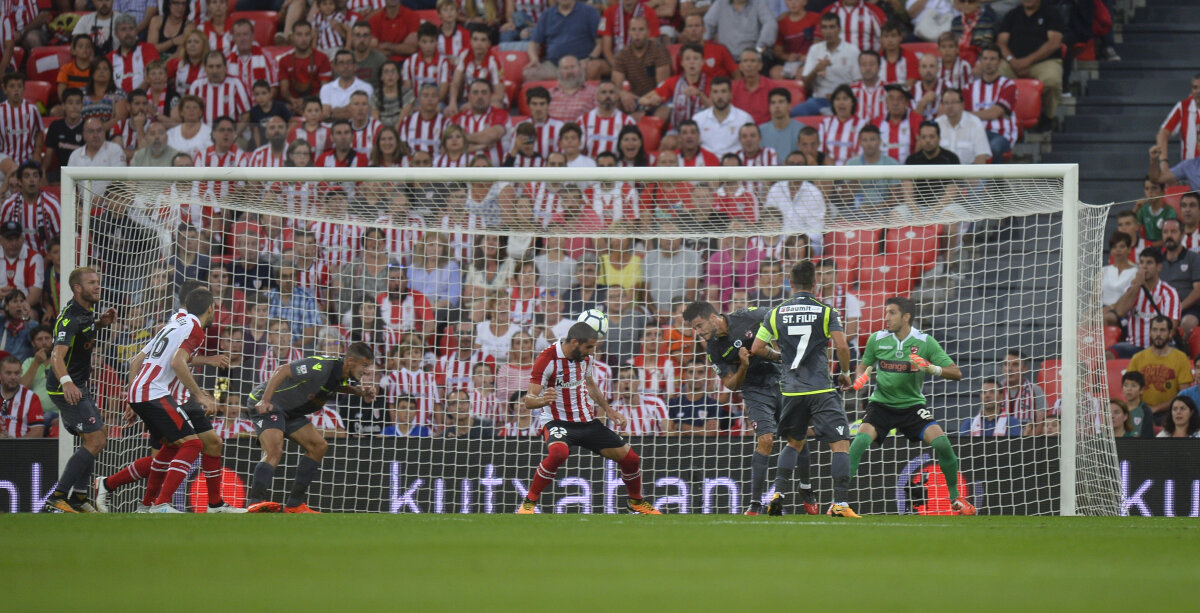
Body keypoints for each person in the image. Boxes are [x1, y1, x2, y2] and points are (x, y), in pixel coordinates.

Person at [847, 296, 976, 515]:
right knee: (859, 442)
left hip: (912, 407)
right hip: (881, 406)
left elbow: (956, 373)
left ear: (906, 317)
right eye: (886, 312)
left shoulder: (925, 341)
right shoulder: (877, 339)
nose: (886, 317)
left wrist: (931, 368)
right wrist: (860, 378)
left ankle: (956, 499)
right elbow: (864, 365)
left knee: (943, 444)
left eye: (892, 312)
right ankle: (837, 501)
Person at [686, 300, 816, 514]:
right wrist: (744, 367)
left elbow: (778, 316)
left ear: (711, 317)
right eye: (694, 328)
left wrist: (783, 345)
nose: (698, 332)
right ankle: (755, 504)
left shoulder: (748, 317)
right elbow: (730, 384)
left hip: (781, 379)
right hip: (754, 390)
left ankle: (806, 488)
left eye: (699, 326)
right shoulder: (713, 349)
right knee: (766, 439)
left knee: (797, 437)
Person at [518, 321, 662, 514]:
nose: (591, 352)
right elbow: (528, 400)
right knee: (559, 453)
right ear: (575, 342)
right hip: (558, 422)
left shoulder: (585, 358)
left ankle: (636, 501)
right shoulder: (547, 359)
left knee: (631, 459)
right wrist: (543, 400)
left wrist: (608, 410)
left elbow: (590, 385)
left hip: (587, 422)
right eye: (589, 347)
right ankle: (529, 503)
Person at [749, 260, 857, 517]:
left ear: (790, 281)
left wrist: (780, 357)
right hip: (820, 388)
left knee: (794, 443)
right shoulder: (826, 310)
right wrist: (844, 373)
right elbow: (842, 346)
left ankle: (778, 492)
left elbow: (756, 349)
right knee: (840, 443)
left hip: (790, 390)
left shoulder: (775, 313)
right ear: (815, 283)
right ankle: (840, 504)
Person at [118, 288, 226, 513]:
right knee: (193, 443)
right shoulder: (195, 329)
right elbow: (178, 363)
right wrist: (200, 394)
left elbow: (138, 361)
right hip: (154, 392)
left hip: (141, 390)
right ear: (210, 308)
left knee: (170, 447)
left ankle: (147, 504)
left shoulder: (176, 322)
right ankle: (161, 504)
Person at [244, 342, 378, 513]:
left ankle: (294, 505)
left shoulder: (341, 372)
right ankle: (255, 501)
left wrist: (358, 392)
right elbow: (283, 370)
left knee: (318, 446)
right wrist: (265, 400)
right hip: (268, 403)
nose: (367, 371)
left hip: (290, 411)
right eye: (365, 365)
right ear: (350, 361)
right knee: (274, 450)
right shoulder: (323, 366)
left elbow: (334, 385)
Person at [43, 268, 118, 513]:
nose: (97, 286)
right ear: (78, 288)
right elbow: (56, 355)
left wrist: (100, 324)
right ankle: (59, 495)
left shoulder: (86, 312)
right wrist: (66, 382)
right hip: (64, 386)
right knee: (96, 439)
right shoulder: (69, 318)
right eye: (92, 283)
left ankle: (79, 496)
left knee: (96, 436)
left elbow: (82, 331)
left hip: (78, 384)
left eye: (98, 281)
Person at [996, 0, 1063, 132]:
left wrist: (1027, 61)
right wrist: (1012, 60)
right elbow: (1001, 42)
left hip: (1043, 62)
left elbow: (1054, 43)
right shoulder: (1012, 15)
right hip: (1013, 63)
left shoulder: (1052, 13)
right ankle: (999, 116)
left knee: (1052, 81)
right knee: (996, 75)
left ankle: (1048, 117)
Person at [1111, 249, 1180, 357]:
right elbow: (1119, 312)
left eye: (1149, 263)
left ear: (1159, 267)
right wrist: (1137, 285)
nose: (1144, 267)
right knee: (1108, 354)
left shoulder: (1169, 293)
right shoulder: (1132, 289)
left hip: (1160, 347)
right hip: (1133, 346)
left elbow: (1171, 330)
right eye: (1141, 263)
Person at [792, 12, 861, 117]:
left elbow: (859, 82)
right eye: (824, 27)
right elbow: (806, 86)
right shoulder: (815, 49)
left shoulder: (852, 50)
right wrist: (816, 70)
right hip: (820, 100)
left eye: (832, 27)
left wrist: (839, 96)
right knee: (796, 113)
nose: (828, 32)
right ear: (821, 31)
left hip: (846, 100)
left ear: (839, 29)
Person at [1127, 315, 1193, 419]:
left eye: (1162, 330)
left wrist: (1156, 408)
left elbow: (1183, 395)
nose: (1158, 334)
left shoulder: (1181, 358)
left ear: (1170, 333)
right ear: (1150, 332)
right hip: (1141, 411)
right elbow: (1129, 390)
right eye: (1154, 330)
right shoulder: (1137, 358)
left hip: (1171, 413)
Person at [524, 0, 603, 83]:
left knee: (592, 68)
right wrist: (534, 59)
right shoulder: (546, 14)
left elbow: (600, 42)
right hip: (554, 65)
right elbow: (534, 43)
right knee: (529, 73)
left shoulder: (589, 12)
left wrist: (590, 59)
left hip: (581, 63)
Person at [965, 46, 1018, 160]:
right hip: (975, 135)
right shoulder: (969, 87)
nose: (988, 62)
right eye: (985, 58)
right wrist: (991, 112)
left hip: (1000, 134)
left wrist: (973, 113)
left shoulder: (1008, 85)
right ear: (981, 61)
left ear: (999, 62)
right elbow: (965, 115)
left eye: (992, 59)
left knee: (994, 147)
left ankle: (994, 178)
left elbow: (994, 113)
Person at [610, 16, 671, 113]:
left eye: (641, 30)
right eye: (633, 30)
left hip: (657, 98)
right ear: (629, 32)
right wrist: (623, 94)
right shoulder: (622, 54)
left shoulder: (659, 51)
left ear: (648, 32)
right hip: (636, 99)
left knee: (663, 111)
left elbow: (662, 87)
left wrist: (645, 101)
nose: (637, 34)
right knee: (614, 102)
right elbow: (615, 86)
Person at [693, 77, 754, 157]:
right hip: (707, 166)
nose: (719, 96)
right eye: (715, 92)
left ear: (731, 94)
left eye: (723, 91)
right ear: (710, 95)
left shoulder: (745, 119)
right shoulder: (698, 119)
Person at [702, 0, 776, 63]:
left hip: (752, 58)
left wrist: (759, 48)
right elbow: (707, 24)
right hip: (726, 59)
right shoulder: (720, 3)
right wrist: (707, 47)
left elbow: (770, 23)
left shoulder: (758, 2)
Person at [0, 74, 45, 176]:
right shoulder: (0, 110)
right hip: (4, 160)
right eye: (12, 86)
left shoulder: (33, 109)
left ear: (24, 88)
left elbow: (39, 131)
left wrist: (37, 151)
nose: (16, 90)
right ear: (4, 89)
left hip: (28, 161)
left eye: (19, 86)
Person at [936, 87, 991, 164]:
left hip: (968, 174)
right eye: (946, 103)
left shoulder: (975, 123)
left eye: (954, 102)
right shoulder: (937, 124)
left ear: (962, 104)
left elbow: (981, 157)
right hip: (941, 174)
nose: (950, 106)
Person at [1155, 75, 1200, 165]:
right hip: (1189, 173)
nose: (1198, 91)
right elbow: (1162, 133)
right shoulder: (1183, 107)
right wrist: (1164, 162)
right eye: (1195, 87)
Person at [321, 49, 374, 120]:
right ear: (335, 67)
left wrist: (334, 111)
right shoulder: (326, 88)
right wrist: (347, 109)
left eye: (349, 62)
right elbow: (326, 114)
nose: (345, 66)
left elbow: (360, 114)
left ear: (355, 66)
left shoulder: (366, 87)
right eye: (341, 63)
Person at [0, 355, 43, 439]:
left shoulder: (31, 398)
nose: (13, 377)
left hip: (20, 450)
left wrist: (15, 444)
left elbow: (38, 432)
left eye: (17, 373)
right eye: (8, 373)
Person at [1101, 231, 1137, 327]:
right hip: (1102, 309)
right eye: (1114, 247)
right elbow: (1094, 298)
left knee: (1105, 318)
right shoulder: (1103, 271)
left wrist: (1110, 308)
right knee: (1084, 317)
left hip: (1123, 312)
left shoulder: (1136, 272)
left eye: (1122, 247)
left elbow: (1130, 297)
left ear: (1129, 249)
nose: (1118, 250)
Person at [759, 88, 803, 159]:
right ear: (769, 108)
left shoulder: (801, 130)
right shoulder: (760, 131)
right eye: (773, 103)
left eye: (781, 102)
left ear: (789, 106)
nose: (777, 106)